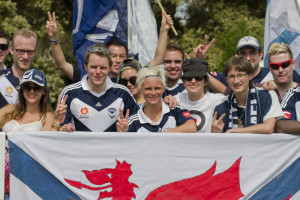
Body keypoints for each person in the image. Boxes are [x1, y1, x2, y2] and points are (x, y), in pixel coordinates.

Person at [46, 11, 173, 83]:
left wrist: (164, 30)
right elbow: (62, 64)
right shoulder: (89, 75)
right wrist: (54, 38)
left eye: (122, 56)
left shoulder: (135, 76)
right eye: (113, 56)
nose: (118, 60)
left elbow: (158, 59)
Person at [0, 69, 54, 200]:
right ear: (21, 89)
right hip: (2, 173)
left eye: (36, 88)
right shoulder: (9, 109)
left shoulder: (47, 116)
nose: (31, 91)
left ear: (44, 91)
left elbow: (44, 145)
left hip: (25, 176)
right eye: (27, 87)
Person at [59, 44, 139, 132]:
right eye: (93, 67)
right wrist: (62, 127)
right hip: (80, 146)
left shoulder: (123, 93)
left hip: (114, 146)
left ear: (109, 68)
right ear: (86, 67)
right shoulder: (70, 92)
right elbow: (60, 128)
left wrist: (126, 129)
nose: (98, 72)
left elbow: (138, 123)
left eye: (103, 68)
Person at [209, 56, 283, 133]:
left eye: (240, 75)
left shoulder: (267, 95)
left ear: (250, 76)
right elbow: (212, 140)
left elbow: (268, 128)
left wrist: (233, 131)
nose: (236, 81)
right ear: (227, 79)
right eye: (231, 76)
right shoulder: (219, 106)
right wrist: (215, 133)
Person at [116, 66, 197, 133]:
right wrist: (122, 132)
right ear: (141, 90)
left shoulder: (174, 108)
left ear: (163, 89)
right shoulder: (133, 120)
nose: (153, 93)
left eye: (157, 88)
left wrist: (161, 136)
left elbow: (192, 127)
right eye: (148, 89)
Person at [174, 58, 224, 132]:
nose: (193, 81)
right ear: (183, 81)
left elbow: (232, 94)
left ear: (206, 81)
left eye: (198, 77)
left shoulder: (217, 100)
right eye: (189, 78)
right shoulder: (176, 100)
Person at [0, 29, 38, 108]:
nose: (25, 57)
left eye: (30, 52)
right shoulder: (1, 79)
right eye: (21, 51)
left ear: (35, 52)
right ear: (11, 50)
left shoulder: (39, 82)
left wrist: (55, 118)